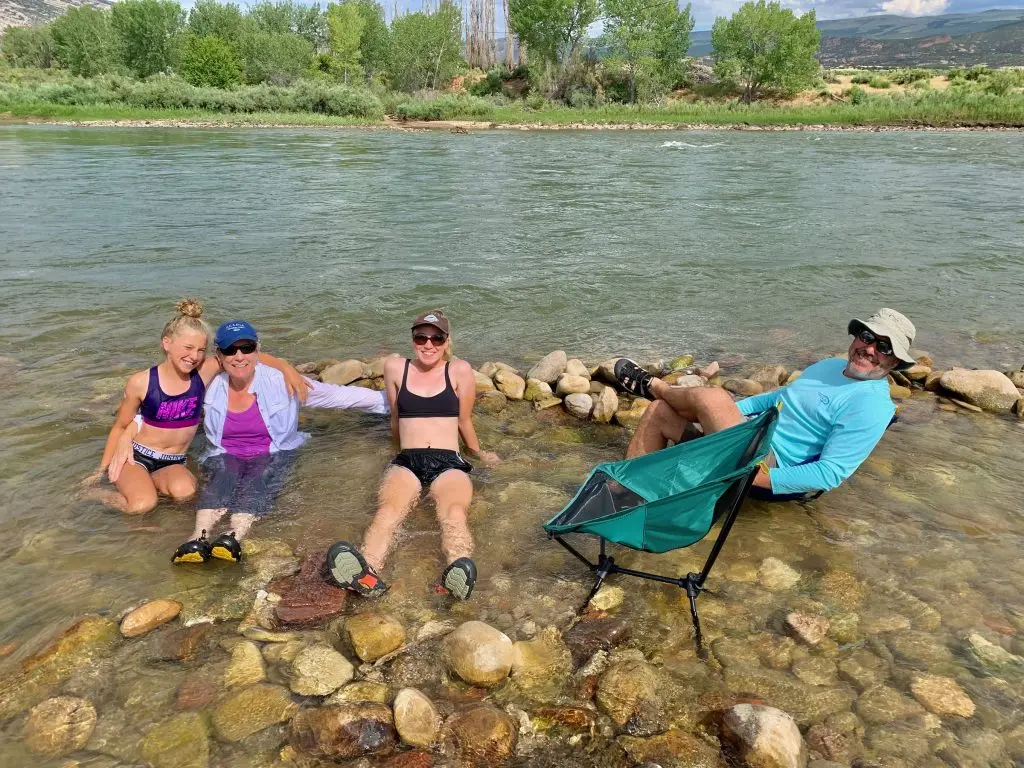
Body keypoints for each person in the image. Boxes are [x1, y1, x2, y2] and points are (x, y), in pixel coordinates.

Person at [615, 308, 917, 497]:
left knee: (714, 396)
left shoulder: (872, 405)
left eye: (884, 347)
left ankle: (655, 386)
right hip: (746, 437)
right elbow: (777, 398)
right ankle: (624, 493)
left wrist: (764, 479)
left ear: (895, 361)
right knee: (659, 412)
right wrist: (729, 413)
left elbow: (831, 472)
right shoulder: (827, 367)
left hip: (764, 467)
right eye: (866, 336)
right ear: (855, 338)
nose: (869, 348)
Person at [171, 320, 390, 564]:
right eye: (231, 350)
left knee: (258, 481)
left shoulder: (280, 380)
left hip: (272, 453)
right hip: (224, 454)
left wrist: (400, 401)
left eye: (247, 348)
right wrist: (131, 432)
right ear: (219, 356)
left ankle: (232, 537)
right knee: (221, 480)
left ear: (257, 350)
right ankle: (198, 538)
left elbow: (337, 396)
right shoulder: (210, 383)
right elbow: (164, 405)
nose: (239, 356)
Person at [324, 310, 499, 601]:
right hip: (407, 461)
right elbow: (396, 419)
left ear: (445, 341)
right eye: (421, 337)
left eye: (436, 338)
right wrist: (393, 454)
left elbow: (465, 420)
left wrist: (480, 453)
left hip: (449, 462)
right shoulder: (395, 368)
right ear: (412, 339)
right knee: (388, 512)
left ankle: (457, 572)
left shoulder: (459, 370)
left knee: (454, 514)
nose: (428, 344)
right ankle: (367, 572)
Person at [90, 299, 306, 515]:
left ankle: (148, 486)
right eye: (188, 348)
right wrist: (100, 471)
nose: (194, 356)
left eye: (201, 350)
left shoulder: (203, 373)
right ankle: (96, 495)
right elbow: (120, 425)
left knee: (185, 492)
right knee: (142, 505)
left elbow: (246, 356)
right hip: (136, 457)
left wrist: (286, 367)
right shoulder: (142, 381)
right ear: (167, 343)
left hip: (173, 461)